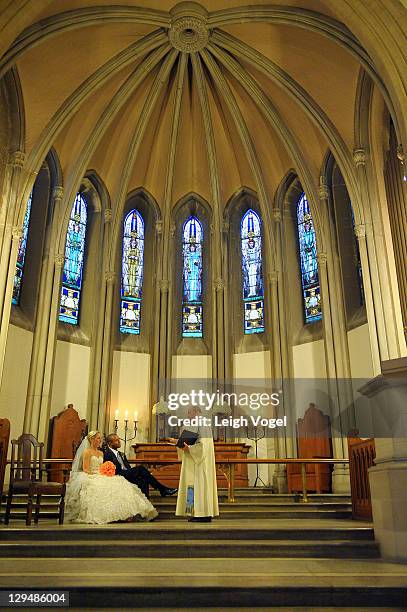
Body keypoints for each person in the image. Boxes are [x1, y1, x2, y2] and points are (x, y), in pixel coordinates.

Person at [65, 431, 158, 524]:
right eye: (98, 438)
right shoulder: (87, 452)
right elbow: (85, 469)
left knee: (121, 483)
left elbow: (103, 465)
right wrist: (98, 474)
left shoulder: (101, 453)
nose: (100, 440)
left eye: (100, 438)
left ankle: (126, 514)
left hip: (102, 474)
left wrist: (106, 471)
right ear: (91, 439)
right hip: (91, 475)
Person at [170, 407, 219, 522]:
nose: (188, 415)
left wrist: (189, 448)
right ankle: (195, 513)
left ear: (197, 412)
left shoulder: (203, 424)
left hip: (200, 464)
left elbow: (204, 445)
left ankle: (203, 514)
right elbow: (188, 442)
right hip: (192, 462)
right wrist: (178, 442)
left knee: (200, 487)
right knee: (191, 488)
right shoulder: (193, 424)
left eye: (189, 412)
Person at [104, 433, 177, 498]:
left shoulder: (121, 454)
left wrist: (132, 474)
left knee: (143, 479)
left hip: (127, 473)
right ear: (110, 443)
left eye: (119, 439)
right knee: (141, 468)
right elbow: (108, 468)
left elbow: (128, 467)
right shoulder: (107, 453)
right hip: (118, 474)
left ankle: (146, 502)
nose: (119, 441)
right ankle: (163, 489)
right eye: (116, 440)